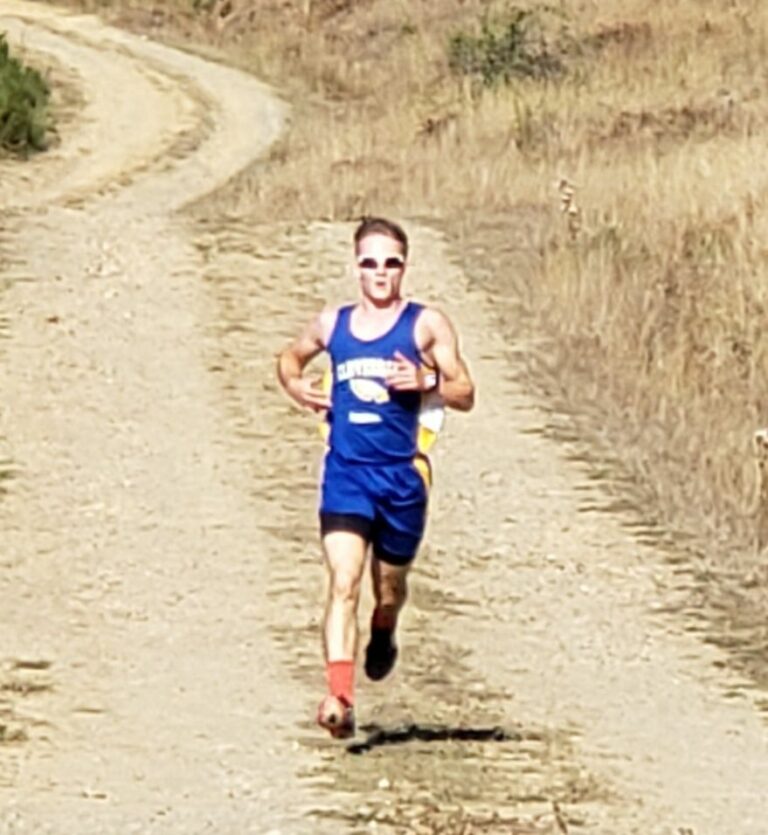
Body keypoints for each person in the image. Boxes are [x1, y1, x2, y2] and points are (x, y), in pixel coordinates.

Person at [277, 217, 475, 739]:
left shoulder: (425, 325)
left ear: (404, 267)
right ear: (356, 266)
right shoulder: (332, 325)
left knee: (387, 588)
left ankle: (384, 627)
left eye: (390, 263)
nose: (380, 273)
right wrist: (297, 387)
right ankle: (339, 697)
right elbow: (290, 358)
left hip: (401, 479)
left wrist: (427, 379)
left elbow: (466, 392)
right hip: (346, 475)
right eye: (369, 262)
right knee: (342, 582)